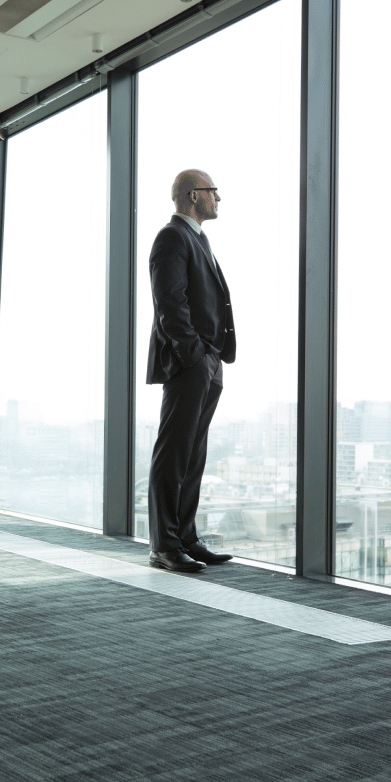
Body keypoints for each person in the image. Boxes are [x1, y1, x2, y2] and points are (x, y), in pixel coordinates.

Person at [146, 169, 236, 573]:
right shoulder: (172, 237)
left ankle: (186, 538)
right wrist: (193, 354)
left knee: (193, 453)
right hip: (190, 361)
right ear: (193, 196)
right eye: (213, 191)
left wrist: (209, 357)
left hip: (208, 360)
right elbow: (170, 303)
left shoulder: (199, 238)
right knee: (174, 453)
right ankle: (163, 546)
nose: (219, 198)